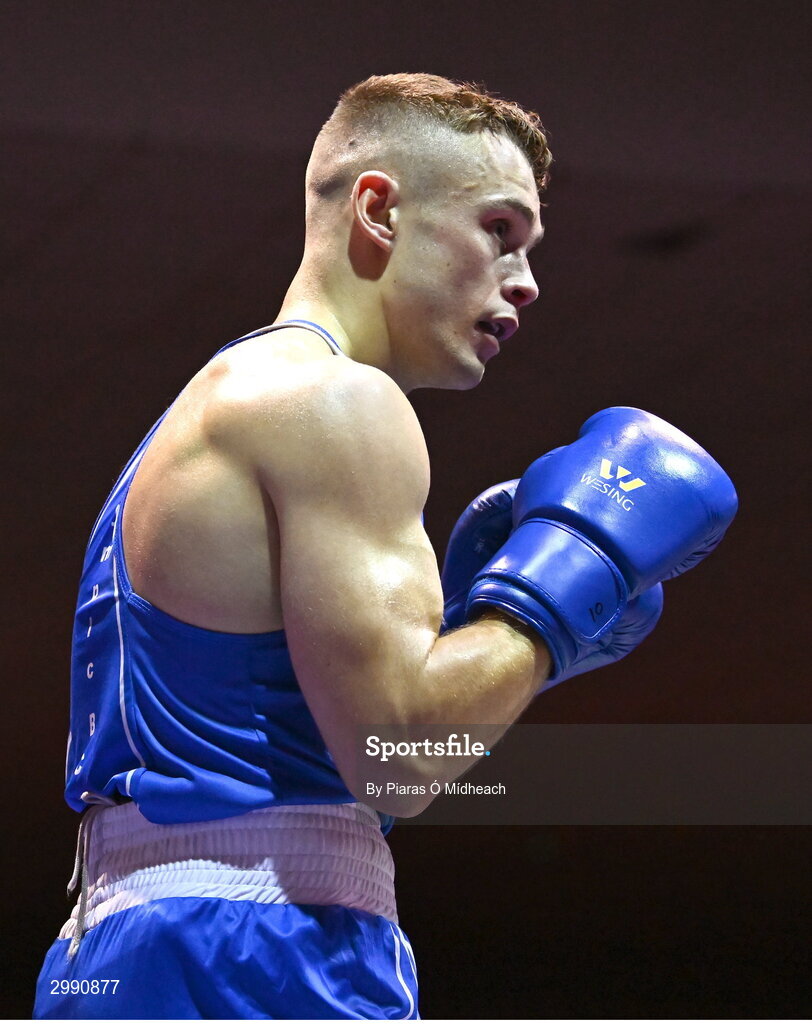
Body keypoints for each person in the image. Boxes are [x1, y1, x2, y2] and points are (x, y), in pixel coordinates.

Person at [33, 73, 737, 1019]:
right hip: (264, 951)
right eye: (500, 231)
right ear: (379, 210)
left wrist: (485, 655)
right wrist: (553, 601)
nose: (525, 279)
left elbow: (321, 773)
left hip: (115, 953)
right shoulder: (338, 401)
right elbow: (399, 755)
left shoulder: (204, 410)